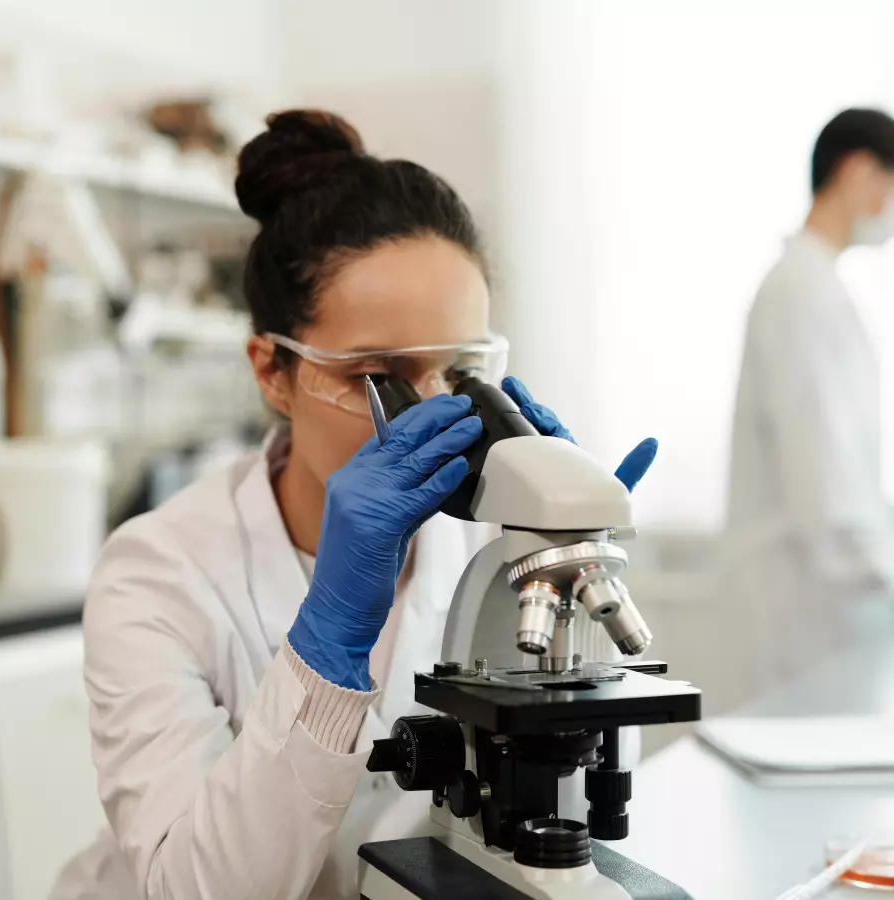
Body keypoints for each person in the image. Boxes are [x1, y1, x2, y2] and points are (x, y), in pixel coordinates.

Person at [51, 110, 656, 900]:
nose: (437, 411)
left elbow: (575, 814)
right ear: (272, 370)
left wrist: (564, 554)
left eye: (463, 371)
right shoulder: (158, 572)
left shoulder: (489, 551)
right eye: (381, 375)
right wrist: (330, 638)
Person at [726, 107, 894, 701]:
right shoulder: (801, 292)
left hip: (819, 596)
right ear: (857, 172)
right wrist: (880, 570)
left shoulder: (815, 286)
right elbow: (821, 469)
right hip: (804, 598)